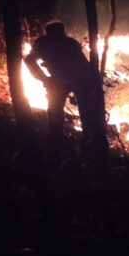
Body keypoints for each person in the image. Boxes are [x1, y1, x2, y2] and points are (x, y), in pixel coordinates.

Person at [24, 21, 108, 167]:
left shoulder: (54, 43)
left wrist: (45, 78)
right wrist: (44, 78)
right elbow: (29, 60)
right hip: (65, 81)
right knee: (62, 111)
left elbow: (81, 66)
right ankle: (65, 143)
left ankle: (71, 143)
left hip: (72, 80)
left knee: (63, 111)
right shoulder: (61, 43)